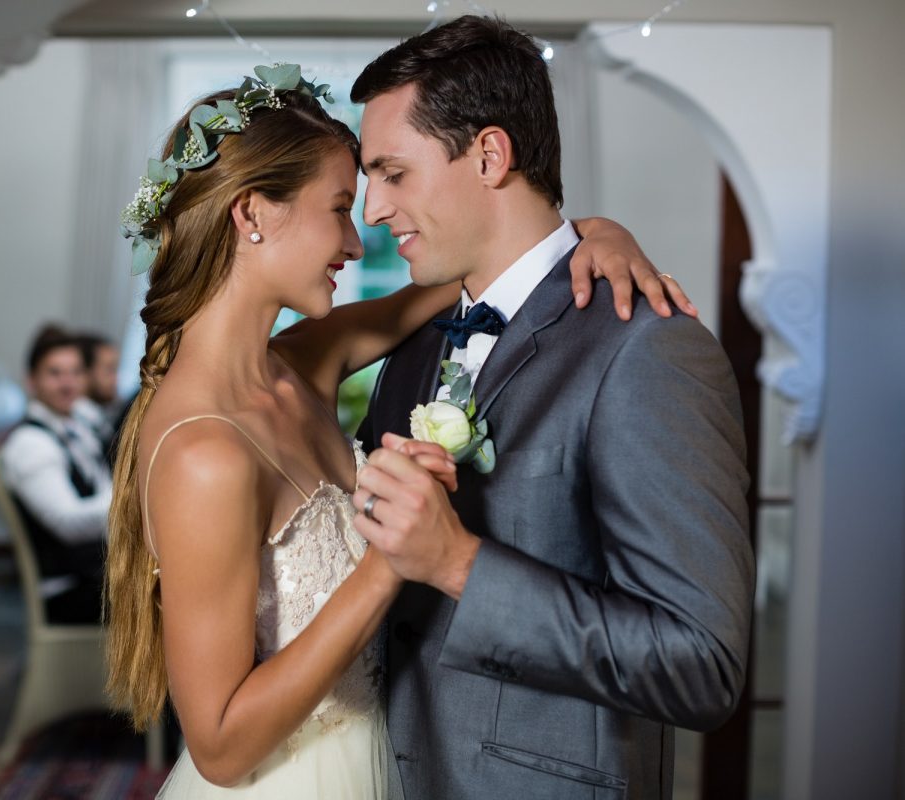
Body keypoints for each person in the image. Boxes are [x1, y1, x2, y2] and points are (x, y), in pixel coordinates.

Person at [103, 64, 691, 798]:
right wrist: (392, 559)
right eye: (340, 206)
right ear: (252, 213)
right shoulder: (203, 454)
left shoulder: (304, 362)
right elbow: (220, 747)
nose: (356, 241)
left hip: (397, 757)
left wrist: (598, 235)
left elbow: (486, 262)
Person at [348, 16, 755, 799]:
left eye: (392, 174)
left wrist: (459, 565)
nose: (372, 210)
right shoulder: (410, 348)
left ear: (490, 155)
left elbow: (701, 665)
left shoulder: (648, 350)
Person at [0, 324, 111, 625]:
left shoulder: (77, 423)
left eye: (76, 372)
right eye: (55, 373)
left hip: (94, 573)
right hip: (69, 590)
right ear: (31, 381)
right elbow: (68, 522)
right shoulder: (31, 444)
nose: (68, 383)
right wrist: (134, 504)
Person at [75, 331, 121, 460]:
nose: (116, 379)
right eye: (109, 369)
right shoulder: (78, 428)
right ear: (84, 372)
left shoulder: (99, 421)